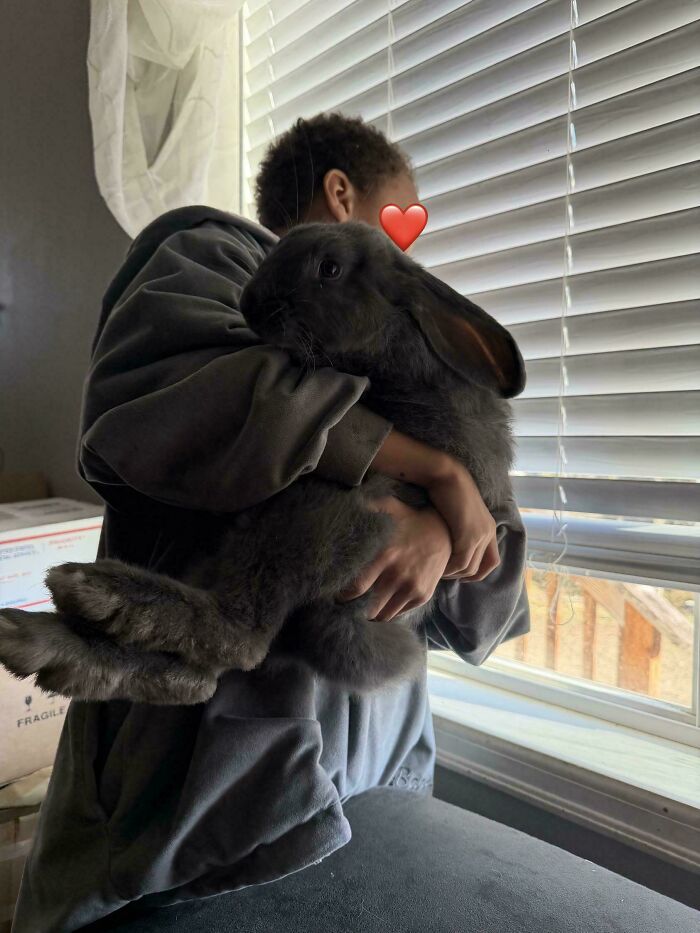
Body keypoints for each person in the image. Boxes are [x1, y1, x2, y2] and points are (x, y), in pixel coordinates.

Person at [11, 113, 529, 932]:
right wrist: (430, 470)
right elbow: (194, 399)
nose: (409, 251)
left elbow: (488, 584)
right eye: (403, 215)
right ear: (341, 196)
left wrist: (444, 527)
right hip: (188, 802)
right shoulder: (204, 255)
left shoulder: (407, 351)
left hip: (370, 784)